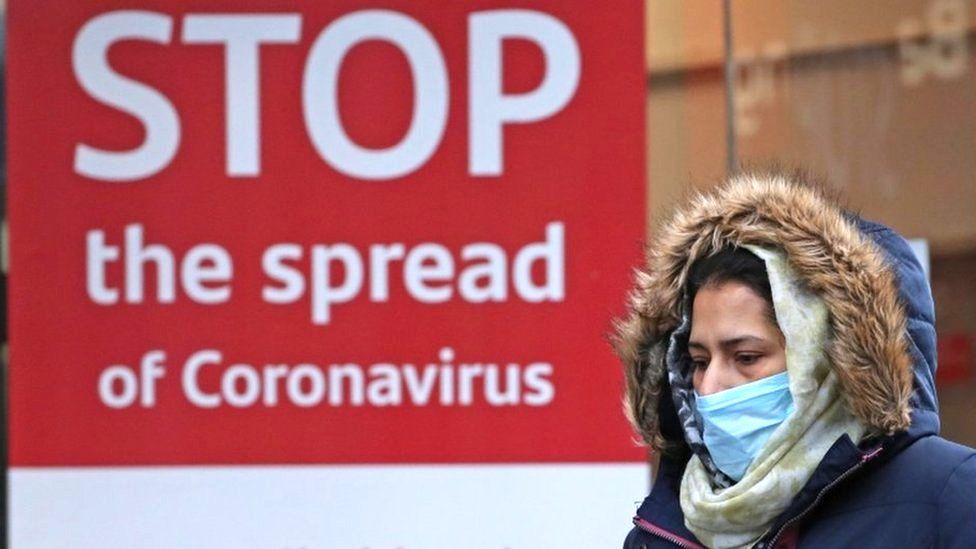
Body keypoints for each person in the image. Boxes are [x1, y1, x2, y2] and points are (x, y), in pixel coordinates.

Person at [614, 169, 976, 548]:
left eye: (747, 357)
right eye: (699, 361)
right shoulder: (664, 527)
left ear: (832, 363)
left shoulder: (951, 498)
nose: (709, 386)